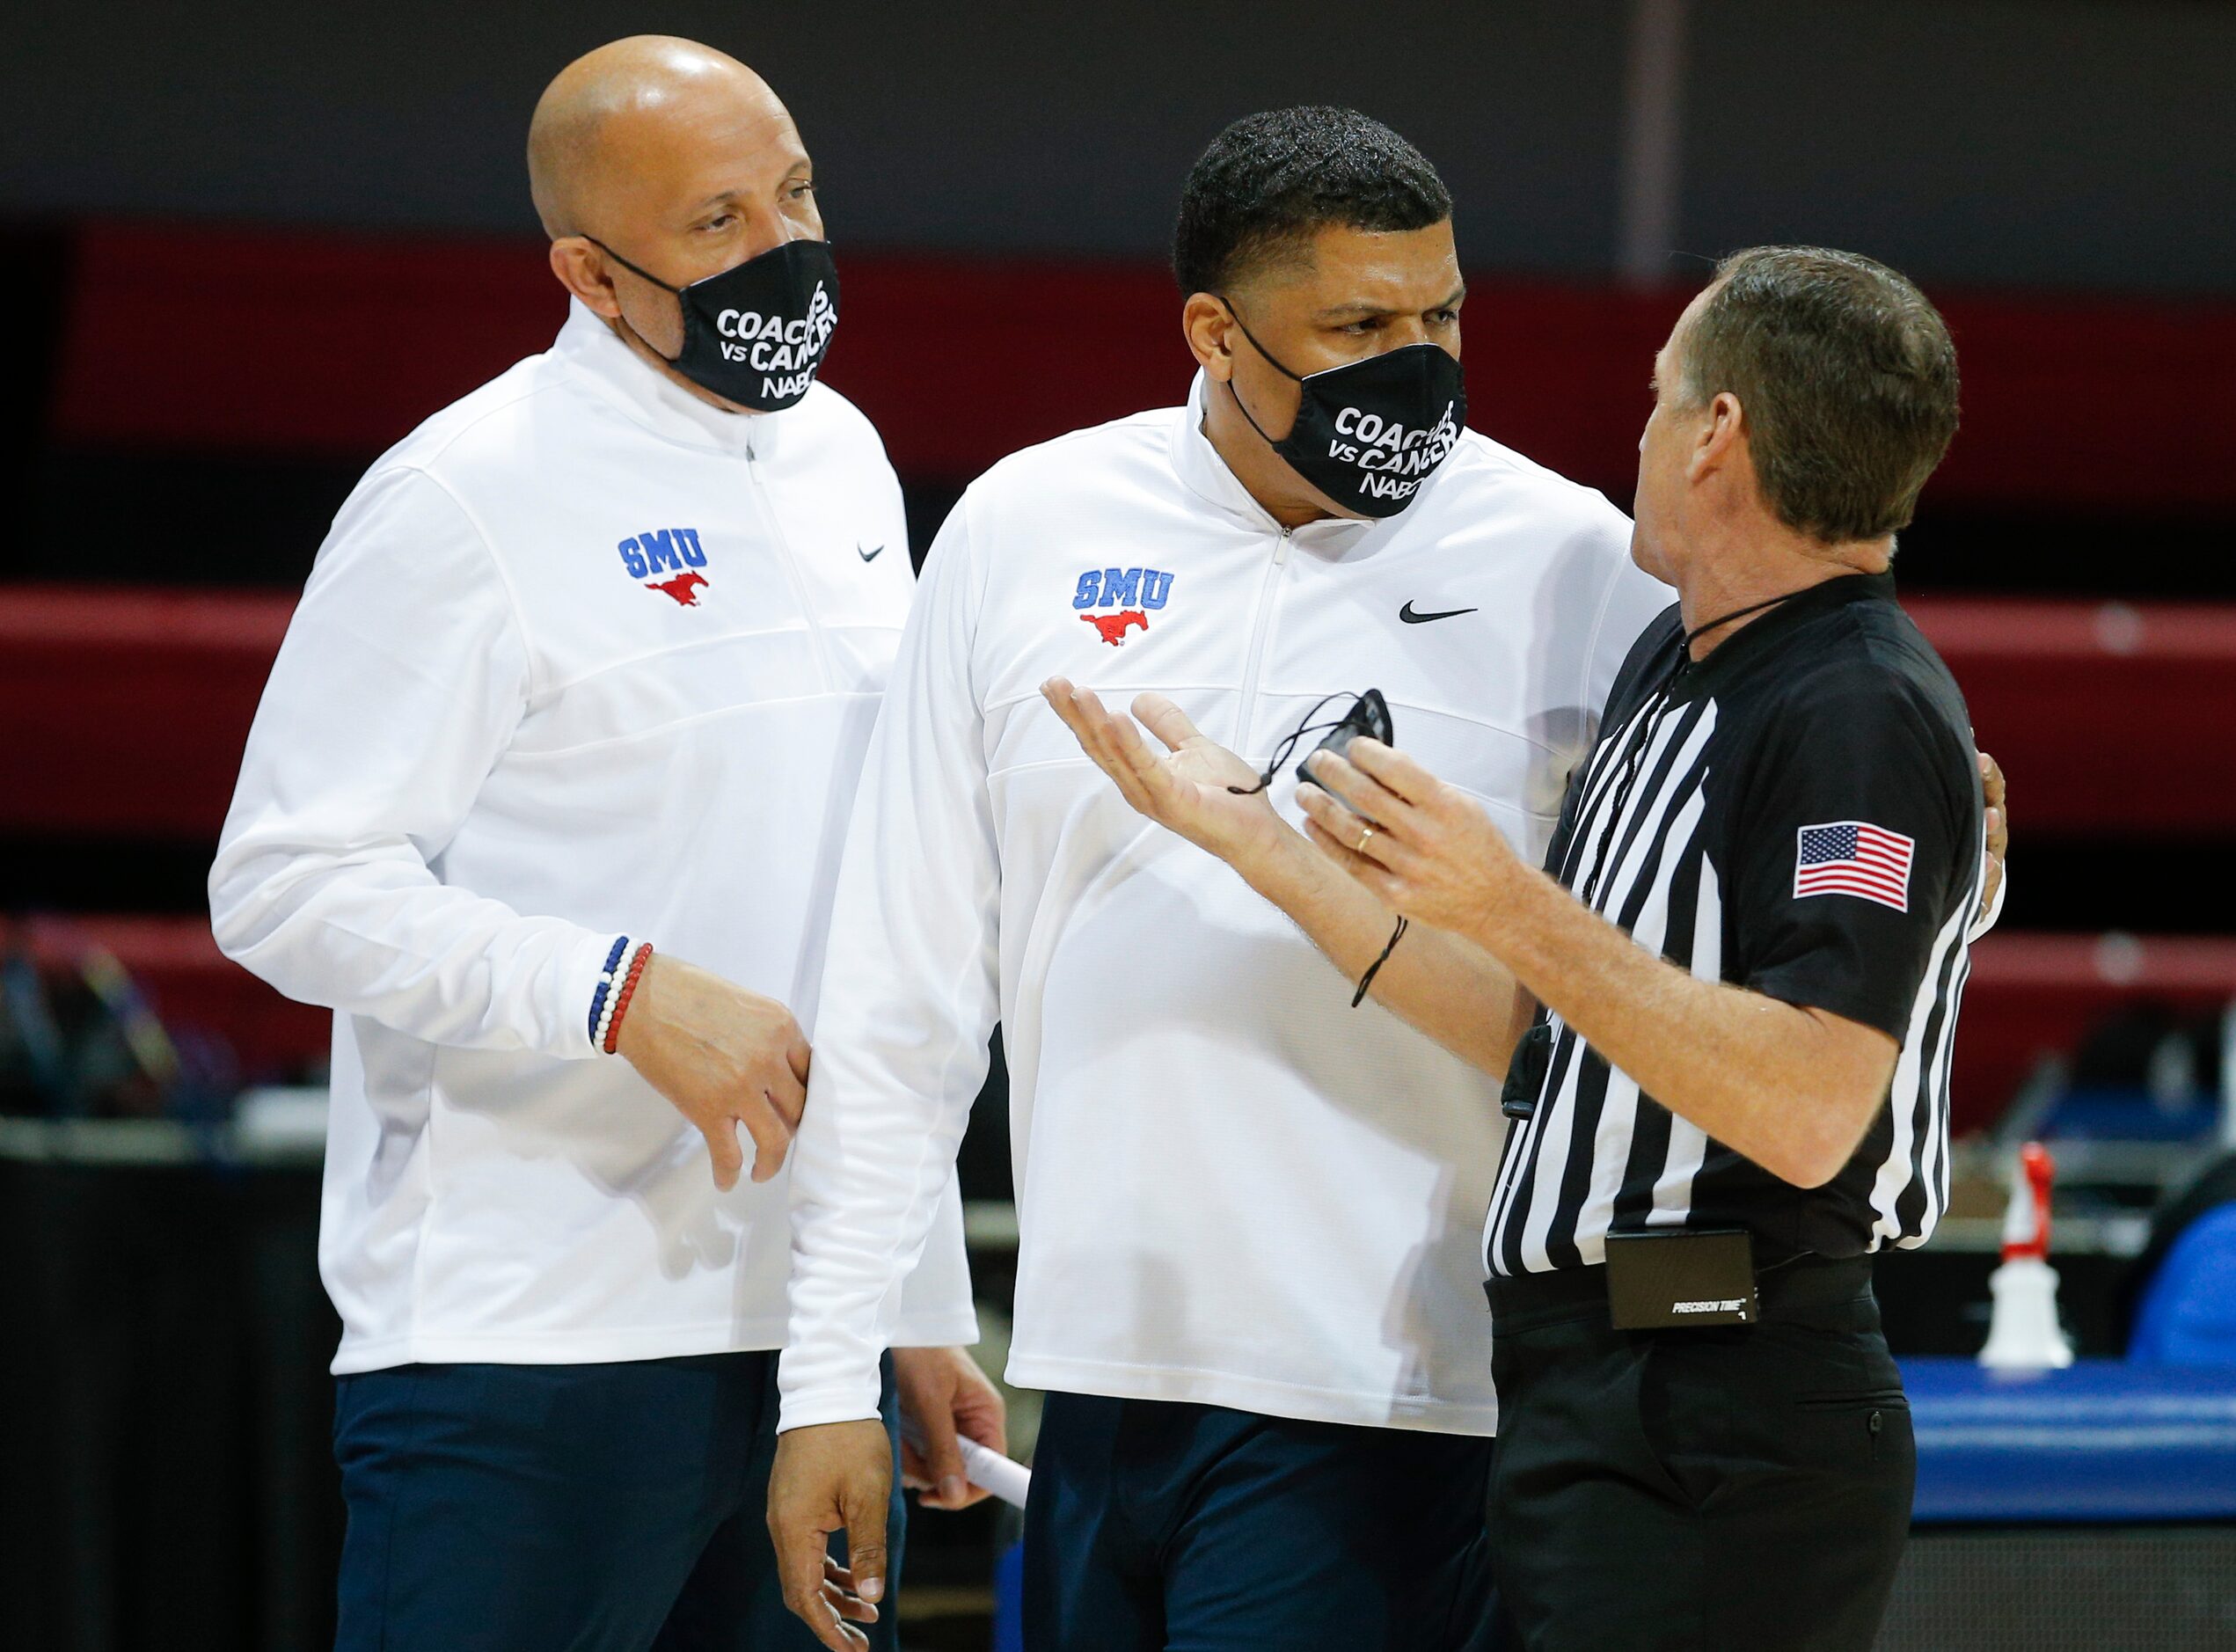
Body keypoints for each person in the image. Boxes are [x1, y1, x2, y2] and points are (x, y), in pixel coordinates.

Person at [765, 106, 1678, 1652]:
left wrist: (1942, 840)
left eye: (1441, 313)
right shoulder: (1024, 525)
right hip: (1094, 1373)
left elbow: (1706, 930)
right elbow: (903, 987)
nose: (1419, 359)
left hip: (1397, 1393)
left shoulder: (1575, 558)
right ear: (1215, 331)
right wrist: (836, 1357)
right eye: (1358, 324)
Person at [1052, 246, 1995, 1651]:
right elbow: (1564, 1055)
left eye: (1660, 394)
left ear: (1717, 433)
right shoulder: (1683, 661)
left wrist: (1510, 903)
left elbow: (1809, 1108)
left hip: (1722, 1396)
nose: (1640, 429)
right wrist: (1259, 846)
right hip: (1603, 1380)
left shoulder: (1852, 703)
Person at [208, 37, 998, 1652]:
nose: (783, 249)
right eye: (716, 222)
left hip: (805, 1357)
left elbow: (871, 907)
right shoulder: (460, 494)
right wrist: (617, 990)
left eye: (794, 192)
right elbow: (283, 883)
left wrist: (905, 1300)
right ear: (589, 271)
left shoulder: (844, 455)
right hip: (523, 1349)